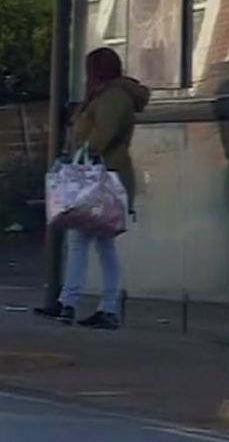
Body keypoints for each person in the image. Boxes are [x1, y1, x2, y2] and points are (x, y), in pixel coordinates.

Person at [40, 47, 150, 329]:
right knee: (90, 241)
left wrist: (84, 152)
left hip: (103, 177)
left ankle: (92, 306)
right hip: (101, 176)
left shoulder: (113, 96)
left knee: (97, 242)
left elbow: (102, 133)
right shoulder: (108, 95)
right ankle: (75, 303)